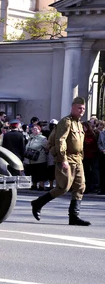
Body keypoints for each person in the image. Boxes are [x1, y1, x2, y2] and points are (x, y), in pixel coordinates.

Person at [31, 97, 91, 226]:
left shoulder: (79, 124)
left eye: (84, 109)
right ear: (73, 108)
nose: (82, 111)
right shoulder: (66, 122)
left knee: (81, 186)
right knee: (63, 187)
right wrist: (63, 159)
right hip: (66, 158)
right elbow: (60, 141)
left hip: (77, 159)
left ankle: (74, 216)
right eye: (79, 108)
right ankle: (38, 203)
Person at [25, 125, 48, 190]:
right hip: (31, 159)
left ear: (39, 130)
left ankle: (41, 185)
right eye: (33, 129)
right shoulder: (30, 137)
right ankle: (34, 185)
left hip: (40, 159)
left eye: (36, 129)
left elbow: (47, 147)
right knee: (33, 172)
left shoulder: (43, 138)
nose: (34, 130)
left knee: (40, 172)